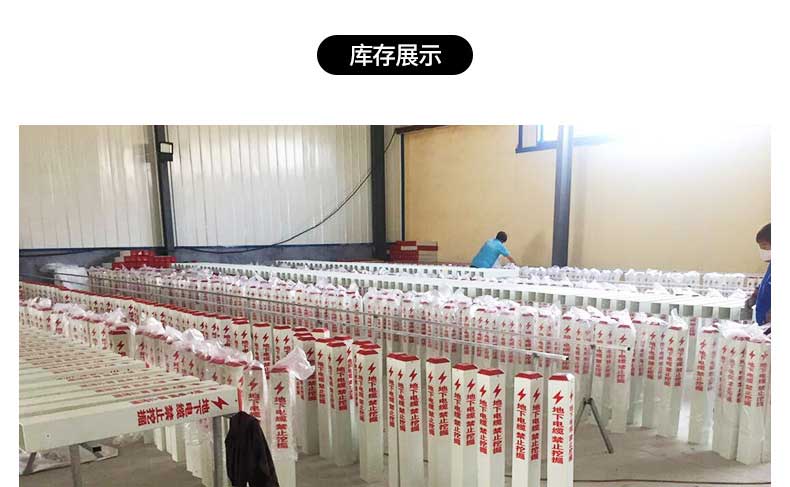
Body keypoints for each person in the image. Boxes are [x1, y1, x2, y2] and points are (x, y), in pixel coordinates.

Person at [745, 223, 771, 330]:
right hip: (764, 324)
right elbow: (766, 285)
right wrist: (754, 297)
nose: (763, 251)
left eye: (764, 246)